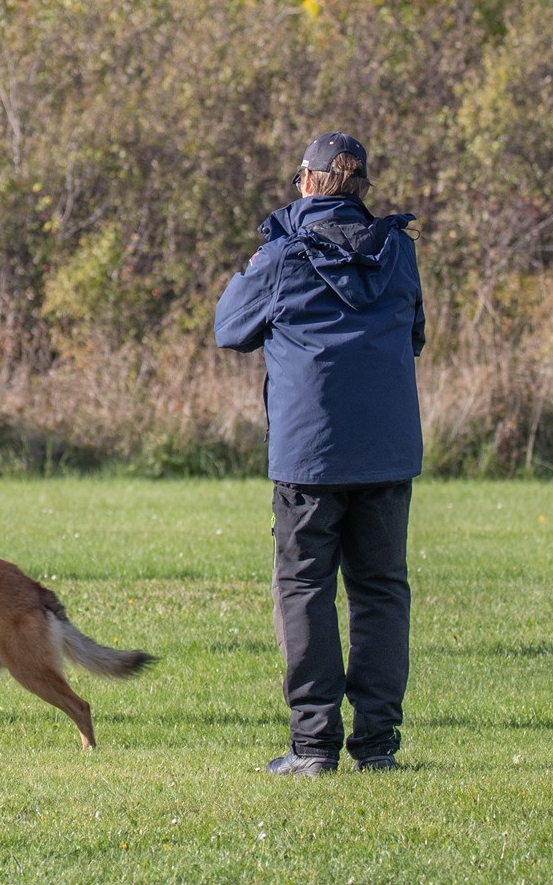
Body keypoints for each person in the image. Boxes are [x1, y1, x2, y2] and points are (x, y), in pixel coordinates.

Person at [213, 132, 426, 775]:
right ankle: (377, 748)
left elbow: (230, 328)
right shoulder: (399, 253)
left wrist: (255, 262)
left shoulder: (281, 256)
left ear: (305, 181)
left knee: (305, 589)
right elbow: (415, 335)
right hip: (386, 451)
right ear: (362, 188)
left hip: (310, 454)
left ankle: (312, 746)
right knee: (381, 591)